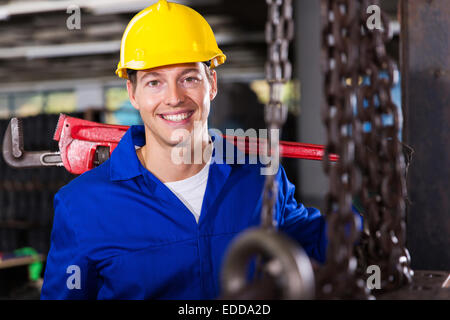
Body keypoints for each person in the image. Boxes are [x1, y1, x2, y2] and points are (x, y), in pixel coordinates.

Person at [40, 0, 357, 300]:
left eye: (189, 78)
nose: (174, 97)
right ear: (132, 93)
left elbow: (318, 242)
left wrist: (370, 195)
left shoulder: (261, 177)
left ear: (212, 84)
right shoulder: (82, 206)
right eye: (154, 82)